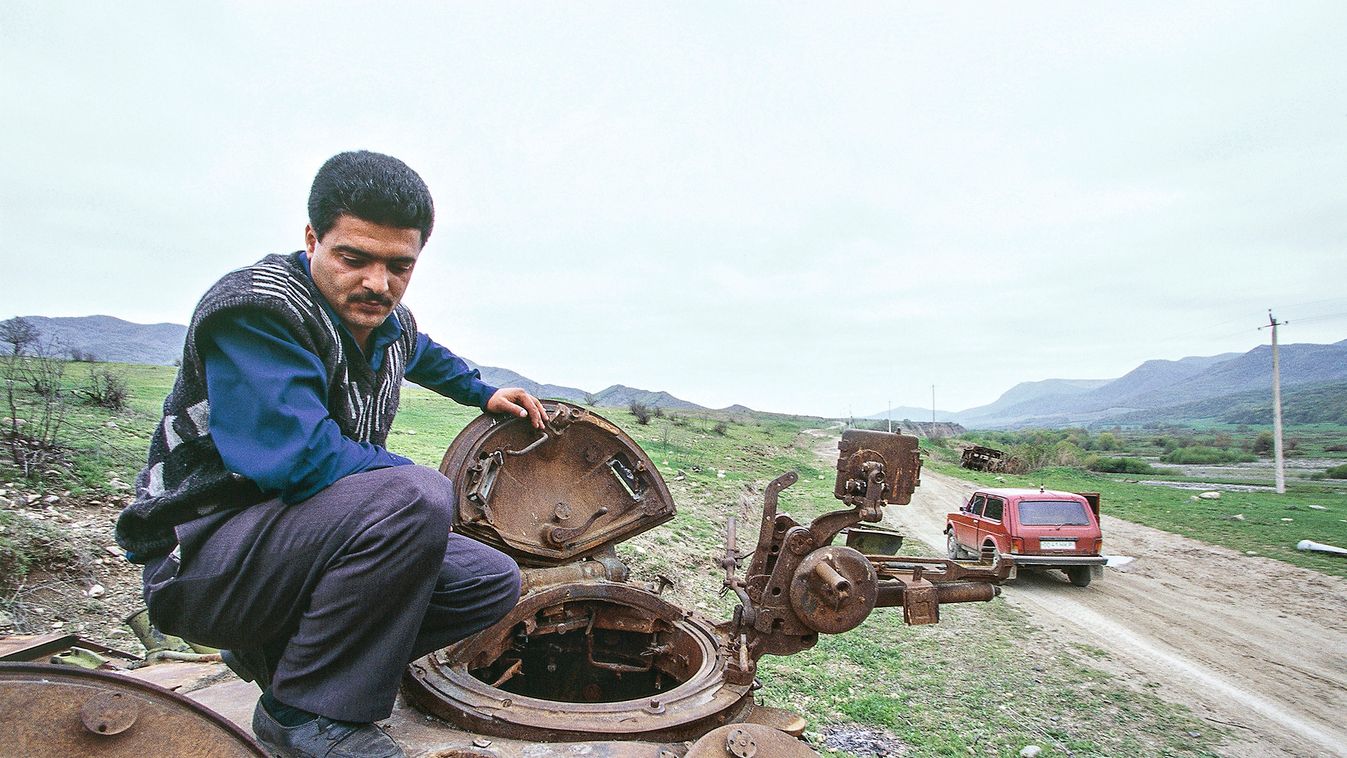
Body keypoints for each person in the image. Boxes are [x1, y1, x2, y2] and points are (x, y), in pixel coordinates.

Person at [115, 150, 543, 758]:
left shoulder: (384, 316)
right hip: (203, 555)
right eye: (354, 258)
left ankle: (277, 654)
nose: (378, 283)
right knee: (415, 497)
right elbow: (302, 461)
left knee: (487, 580)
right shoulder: (258, 311)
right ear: (312, 238)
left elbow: (420, 351)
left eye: (400, 266)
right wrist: (421, 489)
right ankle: (303, 713)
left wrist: (481, 391)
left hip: (292, 545)